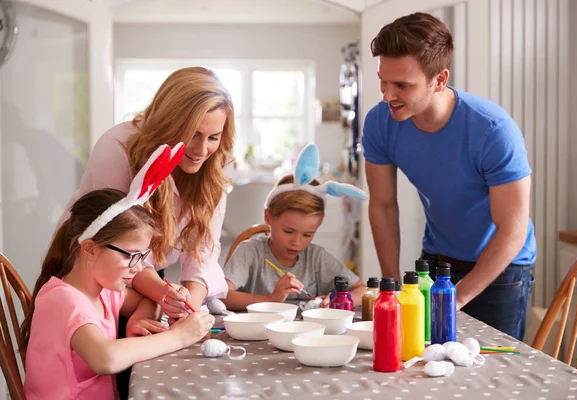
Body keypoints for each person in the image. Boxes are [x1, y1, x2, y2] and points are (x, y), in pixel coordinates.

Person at [362, 13, 536, 340]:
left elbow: (512, 229)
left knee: (491, 378)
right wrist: (391, 287)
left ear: (439, 80)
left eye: (402, 85)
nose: (387, 95)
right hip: (436, 263)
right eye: (383, 80)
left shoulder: (493, 130)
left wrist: (459, 298)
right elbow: (383, 205)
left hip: (500, 270)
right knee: (423, 358)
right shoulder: (379, 123)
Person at [59, 66, 235, 316]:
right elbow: (114, 244)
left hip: (142, 269)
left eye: (213, 137)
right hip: (91, 269)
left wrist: (188, 306)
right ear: (170, 125)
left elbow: (203, 248)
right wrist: (165, 295)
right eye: (193, 134)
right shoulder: (118, 148)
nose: (201, 150)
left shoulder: (218, 160)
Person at [21, 189, 215, 399]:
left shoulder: (104, 291)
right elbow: (105, 358)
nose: (139, 267)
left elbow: (147, 300)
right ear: (90, 249)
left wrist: (138, 319)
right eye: (130, 256)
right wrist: (179, 337)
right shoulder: (64, 299)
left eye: (143, 256)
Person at [222, 143, 367, 310]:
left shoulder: (316, 257)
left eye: (308, 234)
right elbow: (224, 296)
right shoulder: (249, 252)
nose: (296, 242)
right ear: (268, 216)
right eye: (288, 231)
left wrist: (338, 299)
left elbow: (362, 290)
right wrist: (271, 299)